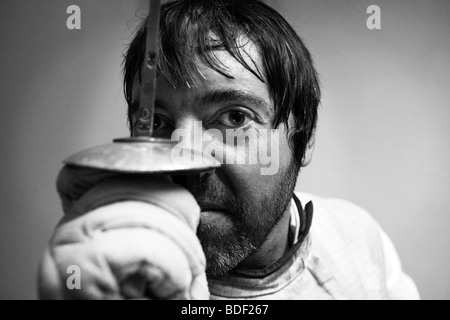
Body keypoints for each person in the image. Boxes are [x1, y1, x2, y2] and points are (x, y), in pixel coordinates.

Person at [38, 0, 420, 300]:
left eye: (235, 117)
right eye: (155, 122)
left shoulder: (357, 235)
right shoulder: (123, 275)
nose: (184, 158)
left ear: (305, 137)